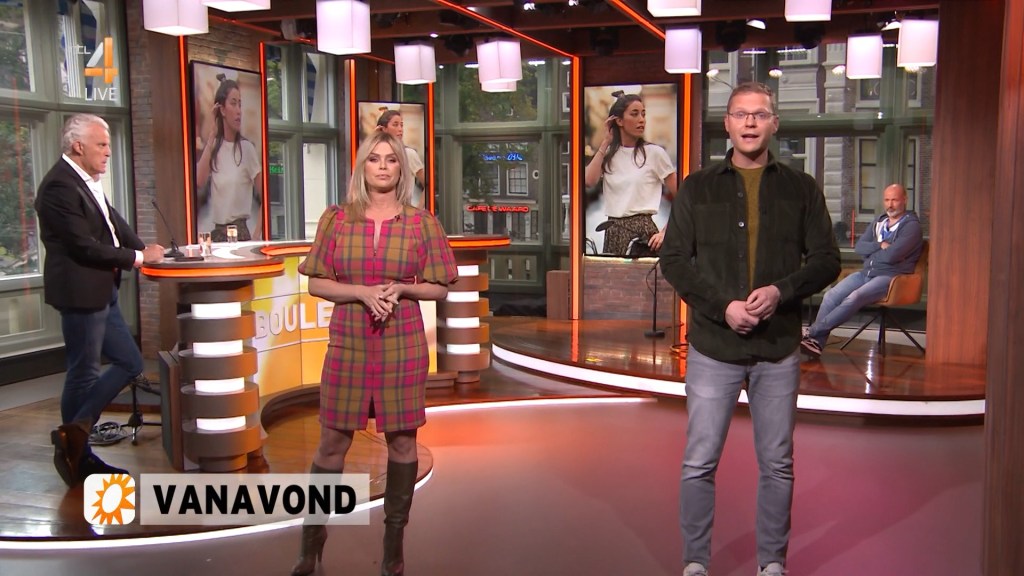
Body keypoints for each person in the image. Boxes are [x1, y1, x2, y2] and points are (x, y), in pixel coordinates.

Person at [659, 82, 840, 576]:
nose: (751, 122)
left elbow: (827, 260)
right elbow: (674, 260)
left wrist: (782, 291)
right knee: (699, 462)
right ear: (728, 124)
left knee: (778, 464)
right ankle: (696, 562)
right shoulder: (698, 187)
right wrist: (723, 307)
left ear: (774, 123)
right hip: (713, 347)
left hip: (778, 349)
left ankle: (772, 564)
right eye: (741, 114)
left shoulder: (801, 188)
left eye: (760, 114)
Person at [291, 131, 458, 576]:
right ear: (362, 167)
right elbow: (317, 282)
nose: (382, 166)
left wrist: (401, 288)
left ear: (402, 169)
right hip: (348, 343)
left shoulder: (422, 223)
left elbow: (439, 288)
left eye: (391, 159)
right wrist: (362, 293)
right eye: (374, 159)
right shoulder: (336, 219)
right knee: (332, 442)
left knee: (402, 441)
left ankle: (392, 550)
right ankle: (310, 545)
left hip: (402, 345)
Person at [34, 114, 165, 487]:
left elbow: (112, 224)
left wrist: (147, 250)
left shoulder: (85, 180)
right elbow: (83, 245)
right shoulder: (59, 186)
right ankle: (78, 452)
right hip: (80, 291)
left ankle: (74, 434)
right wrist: (138, 258)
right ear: (78, 146)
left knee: (130, 361)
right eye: (102, 145)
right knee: (84, 371)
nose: (108, 152)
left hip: (102, 290)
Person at [800, 184, 923, 358]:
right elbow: (860, 247)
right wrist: (879, 245)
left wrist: (873, 255)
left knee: (855, 297)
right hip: (867, 273)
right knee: (831, 296)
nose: (890, 205)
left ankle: (812, 331)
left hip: (891, 277)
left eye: (894, 200)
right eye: (887, 200)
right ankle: (816, 343)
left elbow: (891, 256)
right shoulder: (879, 221)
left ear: (905, 200)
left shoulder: (912, 227)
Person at [584, 91, 677, 255]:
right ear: (619, 121)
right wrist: (605, 142)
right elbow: (588, 180)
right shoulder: (609, 155)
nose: (641, 119)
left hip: (643, 233)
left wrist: (666, 231)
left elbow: (682, 196)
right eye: (634, 114)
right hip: (613, 232)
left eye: (643, 114)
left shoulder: (654, 153)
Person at [196, 73, 263, 242]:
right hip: (218, 235)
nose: (239, 111)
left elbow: (265, 197)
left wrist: (256, 235)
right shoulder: (214, 148)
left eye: (240, 104)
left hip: (240, 234)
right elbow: (199, 180)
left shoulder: (247, 149)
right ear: (222, 109)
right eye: (233, 103)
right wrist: (211, 136)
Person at [376, 109, 426, 207]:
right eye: (395, 125)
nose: (400, 129)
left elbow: (428, 184)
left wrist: (419, 209)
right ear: (384, 129)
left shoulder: (409, 154)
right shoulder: (375, 155)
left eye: (401, 125)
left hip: (404, 212)